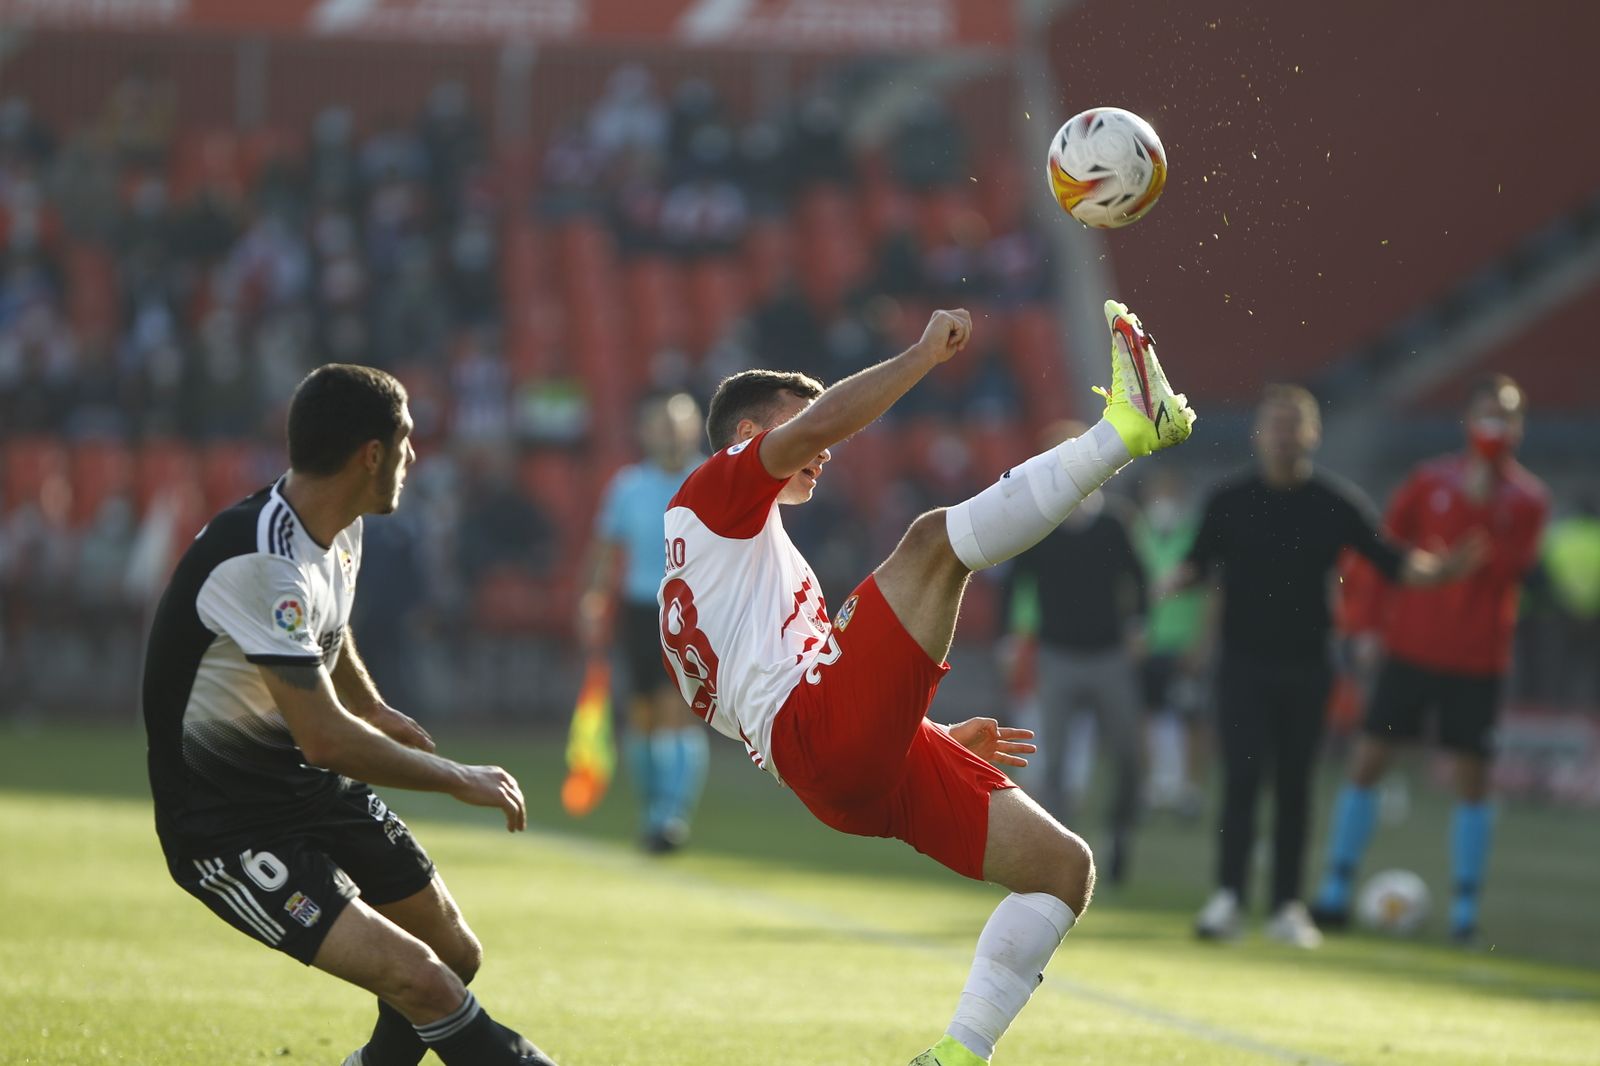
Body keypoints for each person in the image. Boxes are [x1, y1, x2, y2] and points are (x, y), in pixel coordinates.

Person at [659, 300, 1195, 1065]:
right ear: (750, 439)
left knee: (1061, 871)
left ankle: (956, 1055)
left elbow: (752, 700)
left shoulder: (717, 565)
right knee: (932, 543)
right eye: (801, 430)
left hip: (837, 769)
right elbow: (817, 432)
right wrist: (919, 357)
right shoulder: (711, 493)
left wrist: (916, 731)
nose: (828, 449)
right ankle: (1130, 431)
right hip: (820, 736)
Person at [141, 364, 556, 1066]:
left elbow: (325, 634)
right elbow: (327, 739)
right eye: (408, 441)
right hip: (227, 825)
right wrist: (456, 776)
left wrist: (369, 703)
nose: (415, 458)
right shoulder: (261, 561)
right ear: (373, 454)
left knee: (454, 953)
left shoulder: (339, 526)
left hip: (304, 791)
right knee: (425, 984)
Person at [1173, 384, 1482, 949]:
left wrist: (1441, 571)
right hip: (1240, 664)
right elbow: (1196, 561)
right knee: (1240, 782)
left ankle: (1288, 906)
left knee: (1295, 786)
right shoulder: (1228, 500)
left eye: (1296, 424)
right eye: (1276, 423)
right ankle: (1227, 899)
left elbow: (1388, 557)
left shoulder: (1333, 503)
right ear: (1258, 433)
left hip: (1307, 665)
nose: (1285, 435)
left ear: (1313, 434)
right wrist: (1173, 582)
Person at [1311, 375, 1549, 944]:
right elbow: (1380, 555)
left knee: (1471, 780)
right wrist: (1366, 626)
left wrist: (1483, 505)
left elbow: (1508, 567)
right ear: (1468, 420)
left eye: (1507, 416)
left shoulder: (1528, 500)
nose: (1496, 426)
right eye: (1488, 414)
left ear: (1519, 427)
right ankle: (1336, 889)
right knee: (1369, 762)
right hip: (1411, 649)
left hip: (1478, 658)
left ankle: (1466, 910)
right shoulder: (1427, 481)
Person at [1002, 419, 1148, 886]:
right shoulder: (1040, 524)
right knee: (1058, 764)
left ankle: (1120, 836)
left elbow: (1139, 578)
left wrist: (1138, 624)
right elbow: (1013, 583)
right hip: (1058, 656)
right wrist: (1010, 637)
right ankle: (1057, 856)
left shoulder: (1114, 524)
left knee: (1128, 755)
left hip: (1108, 656)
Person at [579, 392, 708, 852]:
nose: (670, 434)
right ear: (646, 432)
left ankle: (672, 815)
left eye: (678, 425)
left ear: (694, 429)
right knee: (642, 715)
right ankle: (653, 810)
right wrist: (593, 597)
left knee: (679, 713)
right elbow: (606, 548)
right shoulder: (629, 486)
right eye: (662, 425)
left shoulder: (709, 478)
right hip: (640, 610)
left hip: (694, 611)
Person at [1132, 469, 1210, 817]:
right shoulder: (1136, 534)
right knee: (1148, 712)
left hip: (1183, 642)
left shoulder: (1195, 536)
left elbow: (1210, 593)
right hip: (1149, 642)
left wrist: (1200, 642)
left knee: (1190, 714)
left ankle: (1190, 788)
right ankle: (1154, 786)